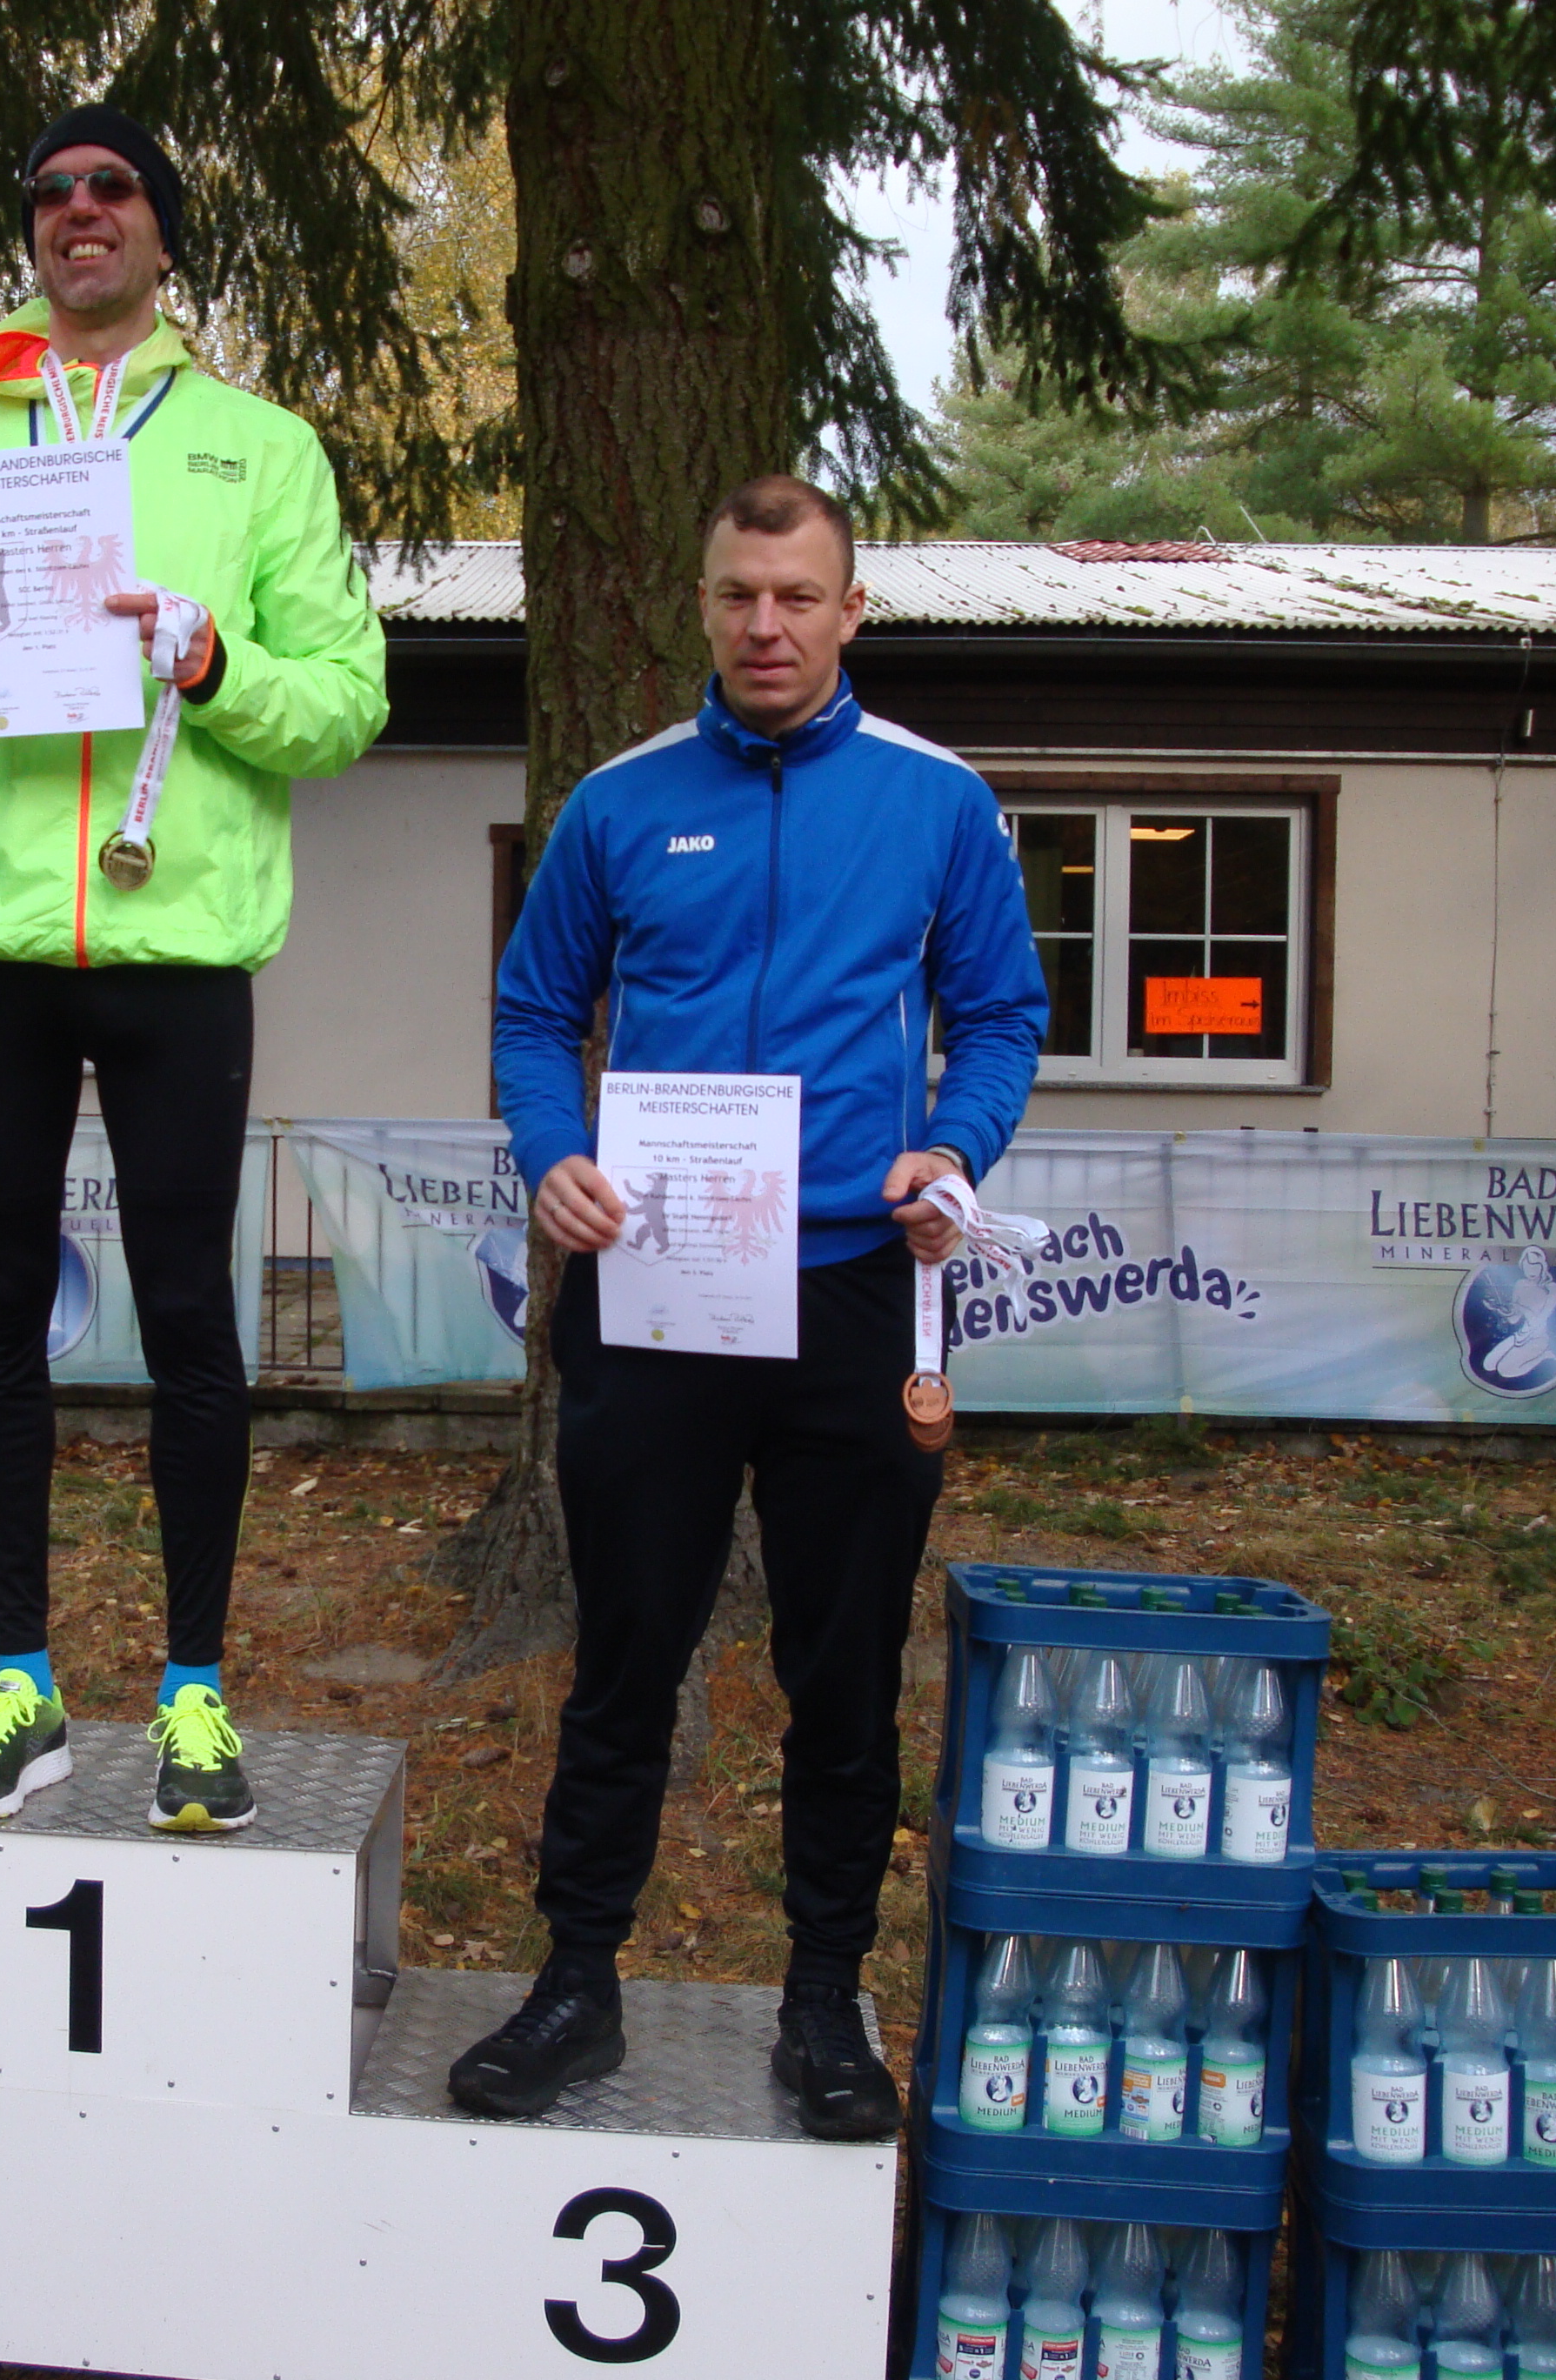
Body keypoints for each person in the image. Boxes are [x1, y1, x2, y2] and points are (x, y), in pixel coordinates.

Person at [450, 474, 1048, 2139]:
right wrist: (555, 1154)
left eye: (797, 597)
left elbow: (1002, 1013)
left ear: (852, 610)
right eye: (737, 595)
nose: (766, 626)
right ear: (702, 605)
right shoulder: (620, 803)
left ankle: (825, 2001)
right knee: (624, 1656)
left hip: (857, 1292)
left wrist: (956, 1144)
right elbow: (533, 1010)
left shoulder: (938, 801)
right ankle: (577, 1985)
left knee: (841, 1673)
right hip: (657, 1289)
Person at [0, 104, 388, 1832]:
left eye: (114, 187)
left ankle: (195, 1696)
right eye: (52, 191)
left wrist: (219, 667)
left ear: (160, 229)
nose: (80, 209)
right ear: (34, 234)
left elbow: (347, 704)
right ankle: (21, 1682)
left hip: (178, 940)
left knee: (191, 1319)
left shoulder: (258, 449)